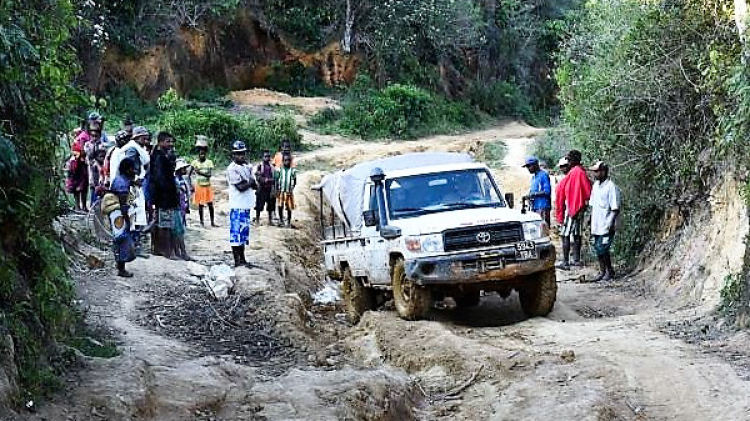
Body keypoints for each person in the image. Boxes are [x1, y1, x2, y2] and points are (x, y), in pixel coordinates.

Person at [150, 131, 184, 260]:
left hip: (166, 196)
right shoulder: (159, 157)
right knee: (164, 224)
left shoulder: (162, 156)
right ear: (160, 142)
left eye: (171, 142)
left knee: (166, 223)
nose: (171, 144)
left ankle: (161, 249)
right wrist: (170, 189)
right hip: (163, 196)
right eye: (168, 141)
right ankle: (166, 251)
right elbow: (160, 179)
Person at [557, 150, 592, 270]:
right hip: (580, 207)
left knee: (565, 234)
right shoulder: (580, 171)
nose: (568, 162)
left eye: (569, 160)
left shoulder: (575, 172)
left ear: (574, 160)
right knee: (577, 233)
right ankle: (576, 260)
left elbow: (583, 190)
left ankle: (565, 262)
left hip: (572, 207)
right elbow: (588, 190)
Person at [226, 140, 257, 267]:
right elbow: (241, 187)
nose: (241, 156)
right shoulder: (232, 169)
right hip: (237, 205)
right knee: (236, 235)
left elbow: (254, 185)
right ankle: (237, 261)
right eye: (238, 154)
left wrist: (250, 181)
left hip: (245, 206)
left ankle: (242, 259)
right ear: (233, 155)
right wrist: (250, 181)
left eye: (243, 153)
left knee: (243, 235)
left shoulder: (246, 167)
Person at [589, 161, 621, 281]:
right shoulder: (596, 186)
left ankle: (609, 271)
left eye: (596, 171)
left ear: (603, 172)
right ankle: (603, 271)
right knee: (598, 248)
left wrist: (610, 223)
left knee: (603, 248)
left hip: (606, 223)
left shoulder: (611, 187)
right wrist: (590, 219)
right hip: (597, 223)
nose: (594, 174)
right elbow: (592, 204)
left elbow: (615, 208)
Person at [107, 158, 138, 277]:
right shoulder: (122, 183)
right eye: (132, 169)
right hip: (119, 214)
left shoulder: (120, 180)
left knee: (119, 238)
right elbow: (123, 205)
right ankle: (121, 268)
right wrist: (127, 220)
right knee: (123, 239)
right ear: (127, 169)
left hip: (116, 214)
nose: (134, 171)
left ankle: (120, 264)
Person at [190, 135, 217, 227]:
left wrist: (199, 172)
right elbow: (188, 174)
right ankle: (201, 222)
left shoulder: (209, 162)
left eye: (203, 154)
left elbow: (209, 175)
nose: (202, 155)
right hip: (199, 186)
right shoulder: (194, 163)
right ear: (198, 154)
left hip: (207, 186)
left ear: (205, 154)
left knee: (210, 204)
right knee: (200, 205)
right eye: (200, 153)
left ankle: (212, 222)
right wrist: (189, 184)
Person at [522, 156, 552, 226]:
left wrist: (533, 194)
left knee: (543, 230)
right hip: (535, 207)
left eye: (529, 166)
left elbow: (547, 191)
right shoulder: (533, 177)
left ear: (535, 165)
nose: (528, 169)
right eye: (527, 167)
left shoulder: (544, 175)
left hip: (543, 207)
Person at [175, 158, 193, 260]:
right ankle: (182, 251)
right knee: (179, 230)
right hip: (179, 207)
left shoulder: (182, 179)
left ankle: (180, 250)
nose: (185, 169)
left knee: (181, 229)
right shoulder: (177, 180)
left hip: (183, 206)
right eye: (183, 168)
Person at [275, 152, 298, 228]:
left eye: (288, 160)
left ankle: (288, 221)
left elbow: (295, 180)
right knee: (280, 206)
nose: (287, 162)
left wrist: (292, 188)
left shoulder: (293, 171)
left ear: (290, 161)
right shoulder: (279, 170)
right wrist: (276, 189)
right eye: (285, 160)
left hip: (289, 192)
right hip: (281, 191)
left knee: (289, 207)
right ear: (282, 161)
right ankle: (281, 220)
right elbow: (276, 180)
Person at [254, 150, 276, 225]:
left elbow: (274, 178)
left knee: (270, 205)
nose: (267, 158)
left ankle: (270, 220)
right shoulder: (260, 166)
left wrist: (268, 180)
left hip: (270, 188)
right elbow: (258, 177)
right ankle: (257, 220)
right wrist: (265, 180)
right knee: (259, 205)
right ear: (262, 157)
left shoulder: (272, 167)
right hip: (262, 188)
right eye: (265, 156)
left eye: (268, 156)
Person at [65, 142, 89, 212]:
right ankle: (77, 207)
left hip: (82, 177)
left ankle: (84, 207)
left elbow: (84, 172)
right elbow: (71, 171)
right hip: (75, 178)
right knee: (76, 192)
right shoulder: (72, 160)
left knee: (83, 191)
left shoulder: (82, 159)